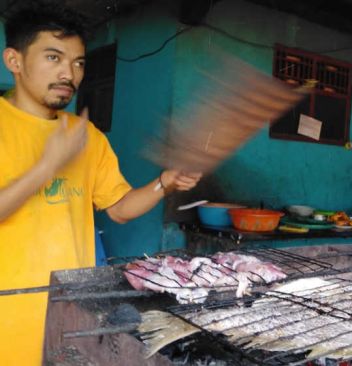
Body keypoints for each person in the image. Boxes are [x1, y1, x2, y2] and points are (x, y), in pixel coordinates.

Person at [0, 3, 202, 364]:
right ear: (14, 61)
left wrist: (163, 183)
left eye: (78, 62)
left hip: (73, 318)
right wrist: (48, 166)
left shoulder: (86, 136)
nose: (69, 73)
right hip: (9, 324)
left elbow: (120, 209)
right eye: (53, 57)